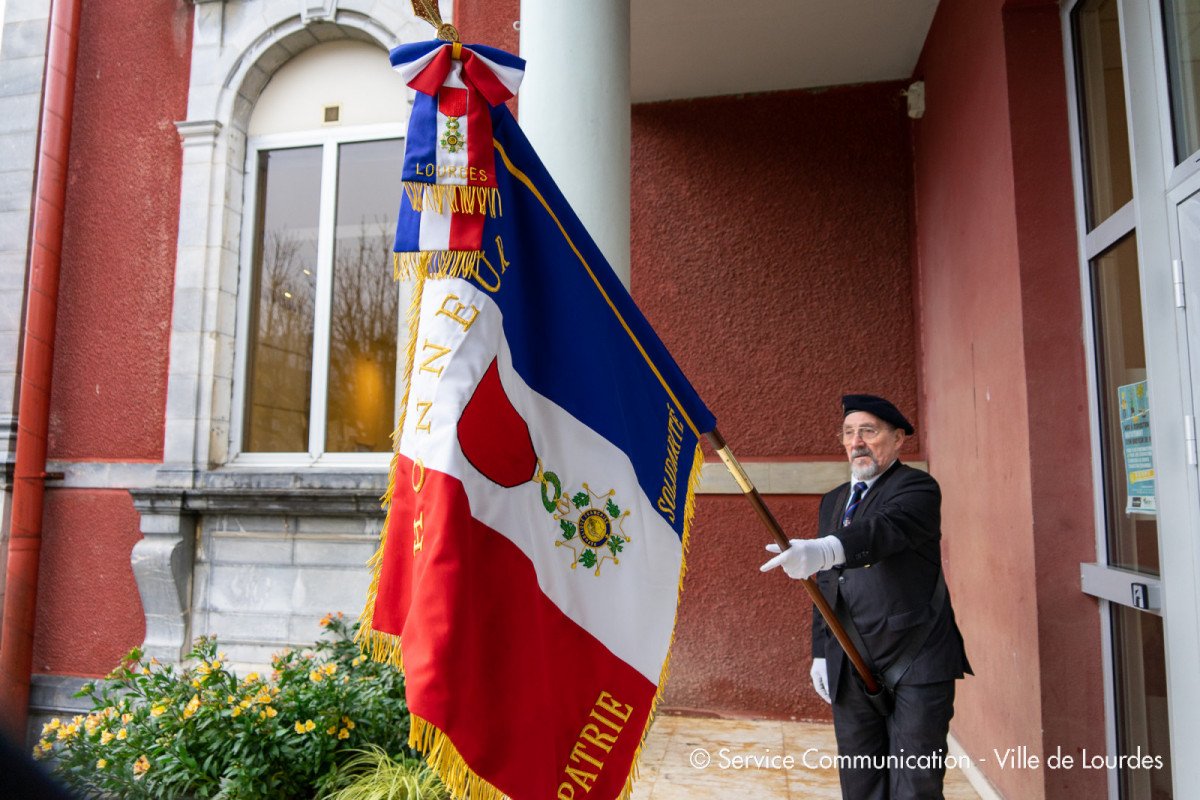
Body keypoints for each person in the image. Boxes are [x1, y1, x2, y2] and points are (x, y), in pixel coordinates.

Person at [760, 394, 970, 800]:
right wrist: (822, 651)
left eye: (869, 431)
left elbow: (882, 531)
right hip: (849, 660)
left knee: (916, 784)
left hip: (917, 660)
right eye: (849, 433)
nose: (857, 441)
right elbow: (828, 585)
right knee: (860, 782)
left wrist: (824, 548)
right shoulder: (834, 500)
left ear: (897, 439)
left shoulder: (917, 488)